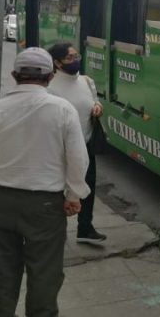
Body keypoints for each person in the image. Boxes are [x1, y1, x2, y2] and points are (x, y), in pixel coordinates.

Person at [0, 47, 90, 317]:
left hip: (1, 202)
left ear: (13, 75)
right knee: (45, 269)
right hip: (45, 206)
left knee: (2, 269)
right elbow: (77, 160)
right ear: (49, 76)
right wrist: (74, 194)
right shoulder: (61, 110)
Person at [47, 42, 106, 244]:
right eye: (69, 58)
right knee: (57, 191)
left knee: (87, 187)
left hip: (86, 144)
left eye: (76, 56)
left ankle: (85, 227)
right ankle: (54, 230)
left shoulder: (86, 81)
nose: (75, 61)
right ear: (57, 62)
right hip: (61, 148)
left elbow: (94, 101)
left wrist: (97, 106)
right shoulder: (51, 88)